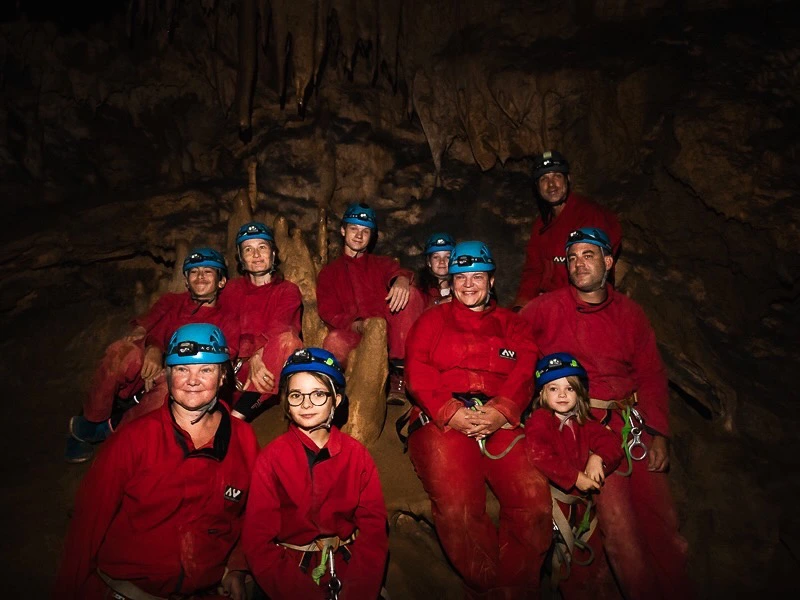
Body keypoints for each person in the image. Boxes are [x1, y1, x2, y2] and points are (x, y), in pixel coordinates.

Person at [520, 227, 691, 598]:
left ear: (609, 262)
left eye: (589, 255)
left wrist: (658, 432)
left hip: (634, 425)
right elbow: (511, 337)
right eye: (572, 257)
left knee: (662, 525)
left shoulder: (630, 313)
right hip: (587, 426)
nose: (579, 264)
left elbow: (650, 373)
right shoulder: (547, 308)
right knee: (619, 528)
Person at [55, 324, 259, 600]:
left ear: (223, 376)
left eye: (206, 370)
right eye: (182, 369)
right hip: (129, 591)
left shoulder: (243, 440)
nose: (193, 380)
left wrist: (236, 567)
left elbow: (250, 514)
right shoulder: (133, 441)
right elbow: (86, 528)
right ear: (168, 374)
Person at [404, 240, 551, 599]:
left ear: (492, 280)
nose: (468, 284)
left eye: (477, 277)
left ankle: (516, 590)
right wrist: (450, 412)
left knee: (533, 500)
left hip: (501, 419)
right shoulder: (432, 321)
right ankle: (485, 587)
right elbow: (417, 371)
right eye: (461, 277)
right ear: (451, 282)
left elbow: (525, 370)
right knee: (458, 506)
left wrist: (501, 410)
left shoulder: (513, 325)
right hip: (443, 419)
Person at [66, 247, 240, 463]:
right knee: (121, 352)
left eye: (208, 271)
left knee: (172, 386)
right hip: (155, 364)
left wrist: (170, 367)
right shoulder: (176, 304)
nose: (200, 277)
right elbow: (157, 331)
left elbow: (224, 360)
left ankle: (113, 433)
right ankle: (91, 421)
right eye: (194, 272)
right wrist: (154, 349)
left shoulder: (228, 319)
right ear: (187, 281)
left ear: (221, 282)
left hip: (185, 375)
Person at [243, 347, 388, 599]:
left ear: (336, 400)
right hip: (288, 574)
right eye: (296, 395)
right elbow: (258, 541)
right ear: (286, 401)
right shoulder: (271, 459)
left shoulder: (356, 455)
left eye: (318, 394)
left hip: (348, 569)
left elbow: (374, 531)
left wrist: (358, 591)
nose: (306, 403)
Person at [525, 353, 623, 599]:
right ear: (542, 394)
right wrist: (575, 477)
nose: (562, 394)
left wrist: (598, 458)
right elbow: (539, 454)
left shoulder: (583, 422)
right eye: (553, 388)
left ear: (579, 393)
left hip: (583, 509)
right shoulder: (540, 421)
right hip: (555, 506)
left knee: (595, 563)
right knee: (565, 564)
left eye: (569, 388)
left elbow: (612, 444)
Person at [316, 202, 425, 401]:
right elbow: (328, 310)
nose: (359, 235)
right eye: (354, 229)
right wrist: (356, 324)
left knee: (411, 294)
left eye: (365, 231)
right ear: (343, 231)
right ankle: (344, 386)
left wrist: (401, 279)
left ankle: (399, 371)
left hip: (391, 337)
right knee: (334, 341)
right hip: (355, 336)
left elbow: (399, 272)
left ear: (371, 236)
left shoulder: (381, 264)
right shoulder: (329, 273)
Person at [513, 150, 622, 307]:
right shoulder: (542, 224)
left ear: (568, 179)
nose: (551, 185)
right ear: (537, 187)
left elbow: (593, 276)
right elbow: (533, 270)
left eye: (557, 176)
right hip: (550, 301)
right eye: (544, 179)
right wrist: (521, 305)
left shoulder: (589, 215)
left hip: (581, 303)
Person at [223, 221, 303, 421]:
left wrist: (257, 355)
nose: (256, 255)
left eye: (262, 247)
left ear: (273, 254)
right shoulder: (231, 290)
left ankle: (238, 415)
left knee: (288, 341)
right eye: (248, 250)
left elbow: (280, 325)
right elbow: (226, 330)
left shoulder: (287, 290)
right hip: (234, 367)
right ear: (241, 258)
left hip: (269, 366)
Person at [418, 232, 456, 308]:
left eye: (447, 257)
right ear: (429, 262)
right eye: (436, 257)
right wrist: (437, 304)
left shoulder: (462, 287)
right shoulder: (420, 289)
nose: (442, 261)